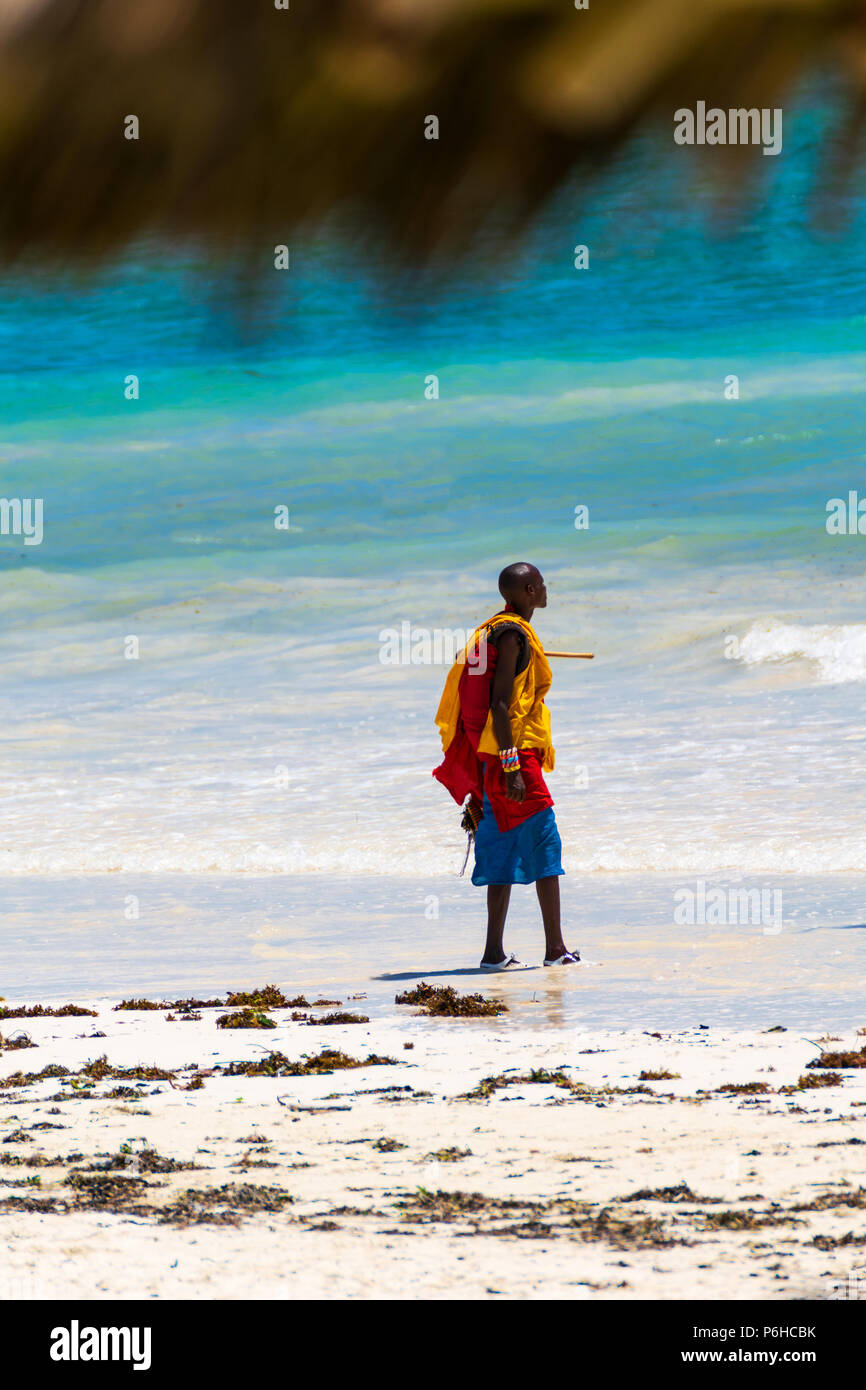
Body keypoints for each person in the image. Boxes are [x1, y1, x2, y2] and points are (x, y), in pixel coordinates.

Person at [433, 562, 580, 970]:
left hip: (486, 756)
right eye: (543, 584)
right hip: (511, 755)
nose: (547, 589)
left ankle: (493, 955)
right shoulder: (512, 634)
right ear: (530, 590)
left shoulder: (491, 631)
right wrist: (513, 767)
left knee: (497, 851)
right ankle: (555, 950)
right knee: (546, 847)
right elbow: (501, 705)